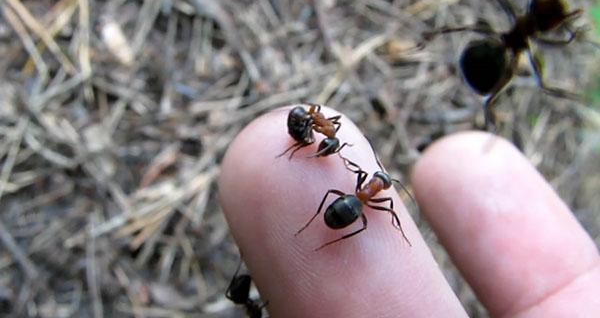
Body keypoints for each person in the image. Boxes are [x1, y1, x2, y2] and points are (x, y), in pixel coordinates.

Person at [219, 107, 600, 317]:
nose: (379, 184)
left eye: (382, 183)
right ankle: (313, 223)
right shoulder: (364, 187)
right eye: (381, 181)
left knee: (356, 212)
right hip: (342, 204)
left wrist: (393, 222)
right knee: (351, 208)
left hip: (344, 206)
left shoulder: (364, 190)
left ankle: (318, 226)